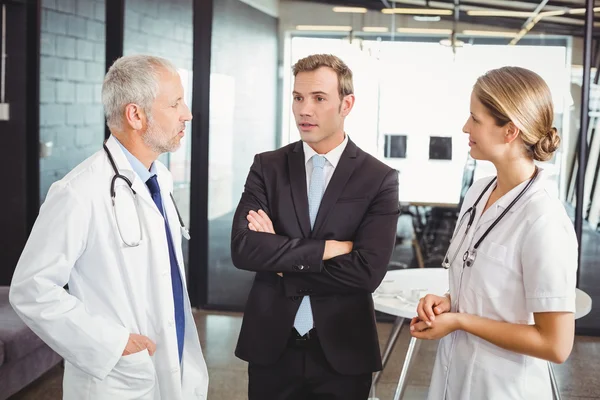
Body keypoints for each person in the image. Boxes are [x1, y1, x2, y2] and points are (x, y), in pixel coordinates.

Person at [9, 55, 208, 400]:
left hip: (171, 360)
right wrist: (114, 345)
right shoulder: (78, 192)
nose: (187, 113)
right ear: (136, 115)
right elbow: (32, 289)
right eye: (175, 103)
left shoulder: (159, 177)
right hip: (120, 378)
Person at [230, 53, 400, 400]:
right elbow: (244, 247)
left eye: (319, 98)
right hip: (271, 346)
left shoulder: (379, 178)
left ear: (346, 104)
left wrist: (281, 261)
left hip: (343, 349)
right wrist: (326, 250)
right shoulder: (268, 166)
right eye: (298, 97)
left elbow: (366, 272)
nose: (304, 110)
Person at [410, 66, 577, 400]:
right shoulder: (479, 191)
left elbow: (556, 345)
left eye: (475, 119)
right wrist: (447, 303)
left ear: (510, 131)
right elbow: (488, 288)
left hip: (505, 388)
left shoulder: (543, 218)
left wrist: (460, 321)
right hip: (453, 378)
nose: (465, 127)